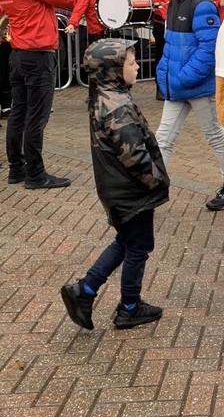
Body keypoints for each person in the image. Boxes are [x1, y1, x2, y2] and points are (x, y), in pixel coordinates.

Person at [60, 40, 168, 330]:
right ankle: (129, 307)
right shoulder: (117, 106)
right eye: (130, 63)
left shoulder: (106, 95)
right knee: (138, 246)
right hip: (131, 192)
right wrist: (156, 181)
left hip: (118, 189)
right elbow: (134, 156)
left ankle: (85, 290)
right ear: (113, 71)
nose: (136, 67)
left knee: (127, 241)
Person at [155, 0, 224, 212]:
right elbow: (171, 45)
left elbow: (209, 48)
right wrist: (166, 72)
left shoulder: (202, 3)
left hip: (195, 86)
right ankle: (152, 189)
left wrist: (184, 76)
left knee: (214, 136)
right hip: (180, 85)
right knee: (163, 137)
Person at [0, 0, 78, 189]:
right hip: (39, 55)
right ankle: (35, 174)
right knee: (37, 117)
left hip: (18, 55)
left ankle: (16, 170)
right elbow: (69, 0)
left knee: (18, 114)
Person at [142, 0, 175, 98]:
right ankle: (160, 88)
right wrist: (157, 6)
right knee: (161, 55)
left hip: (173, 24)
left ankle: (171, 86)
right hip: (160, 24)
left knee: (173, 56)